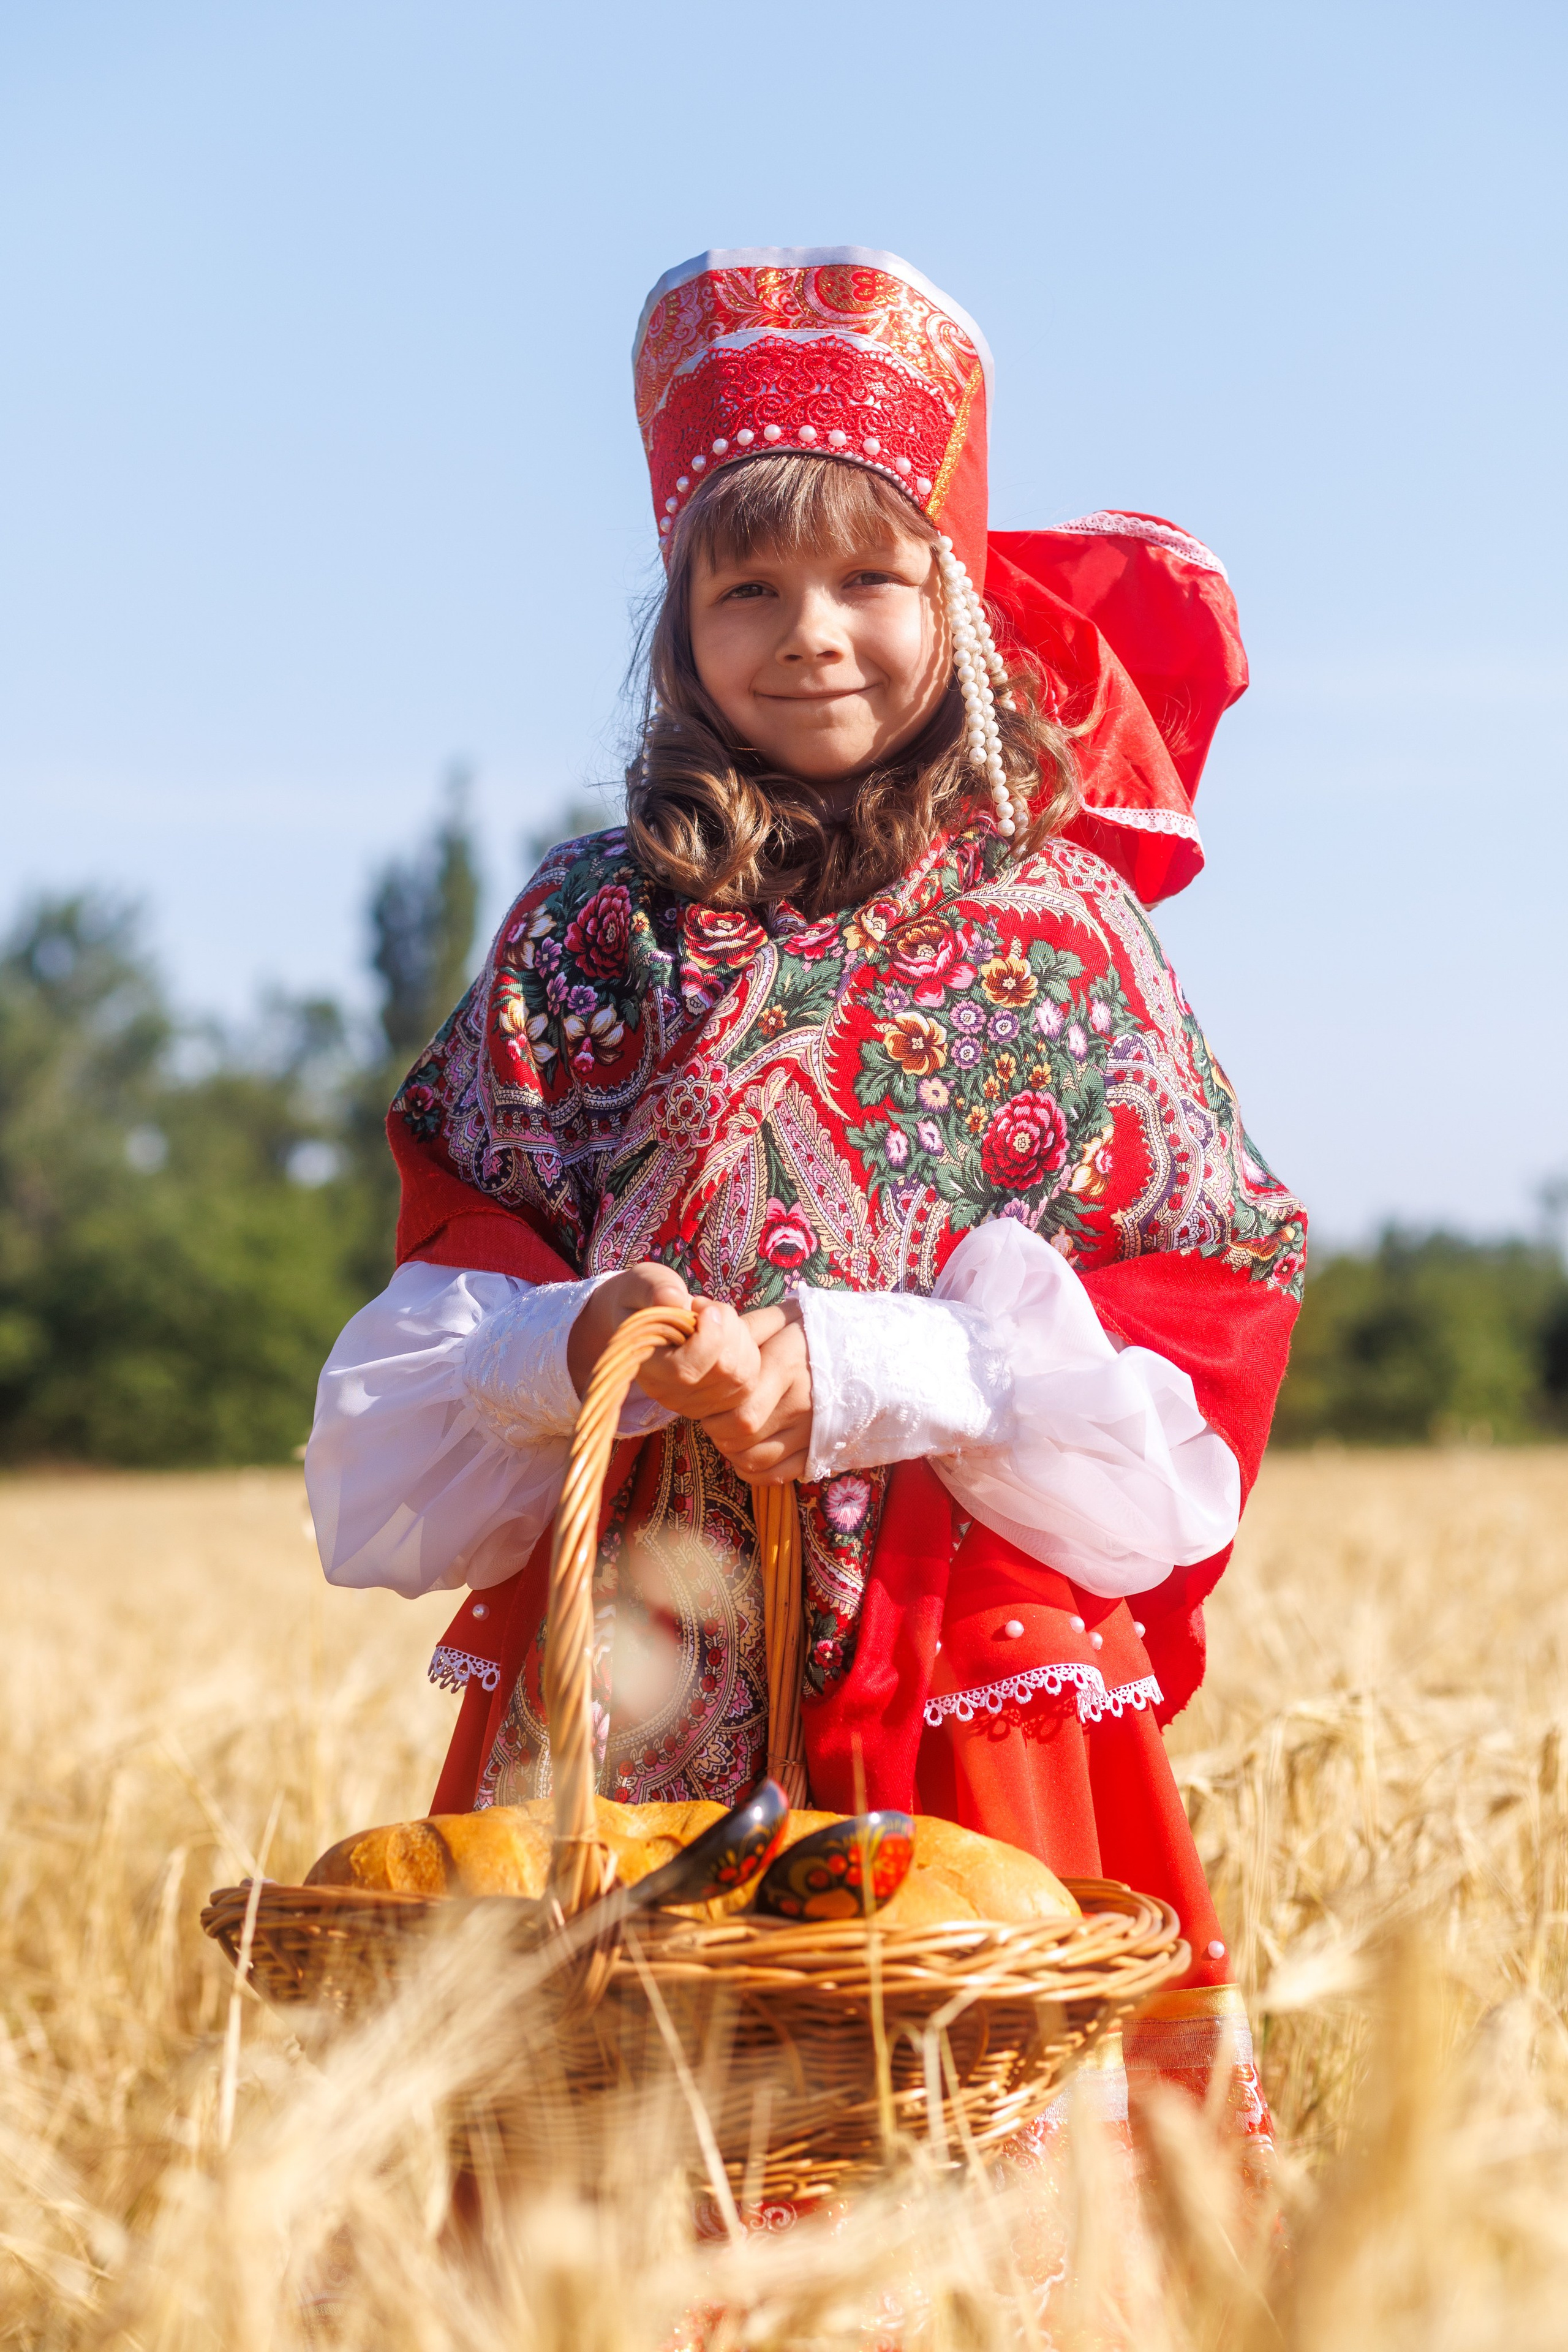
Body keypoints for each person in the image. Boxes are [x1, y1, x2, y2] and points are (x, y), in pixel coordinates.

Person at [306, 247, 1306, 2168]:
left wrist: (874, 1367)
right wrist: (573, 1339)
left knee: (997, 2186)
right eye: (743, 584)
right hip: (644, 1687)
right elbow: (466, 1241)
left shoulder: (1067, 936)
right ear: (676, 618)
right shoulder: (589, 934)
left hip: (968, 1682)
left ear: (955, 588)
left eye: (872, 576)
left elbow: (1199, 1291)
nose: (810, 633)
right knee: (623, 2176)